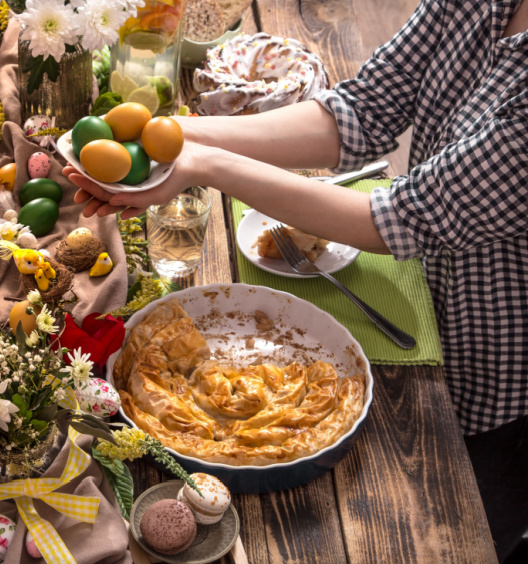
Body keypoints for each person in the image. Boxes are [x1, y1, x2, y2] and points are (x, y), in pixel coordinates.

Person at [66, 0, 528, 560]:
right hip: (421, 279)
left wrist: (202, 164)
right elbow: (358, 112)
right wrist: (177, 137)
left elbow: (405, 217)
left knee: (466, 527)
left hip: (499, 361)